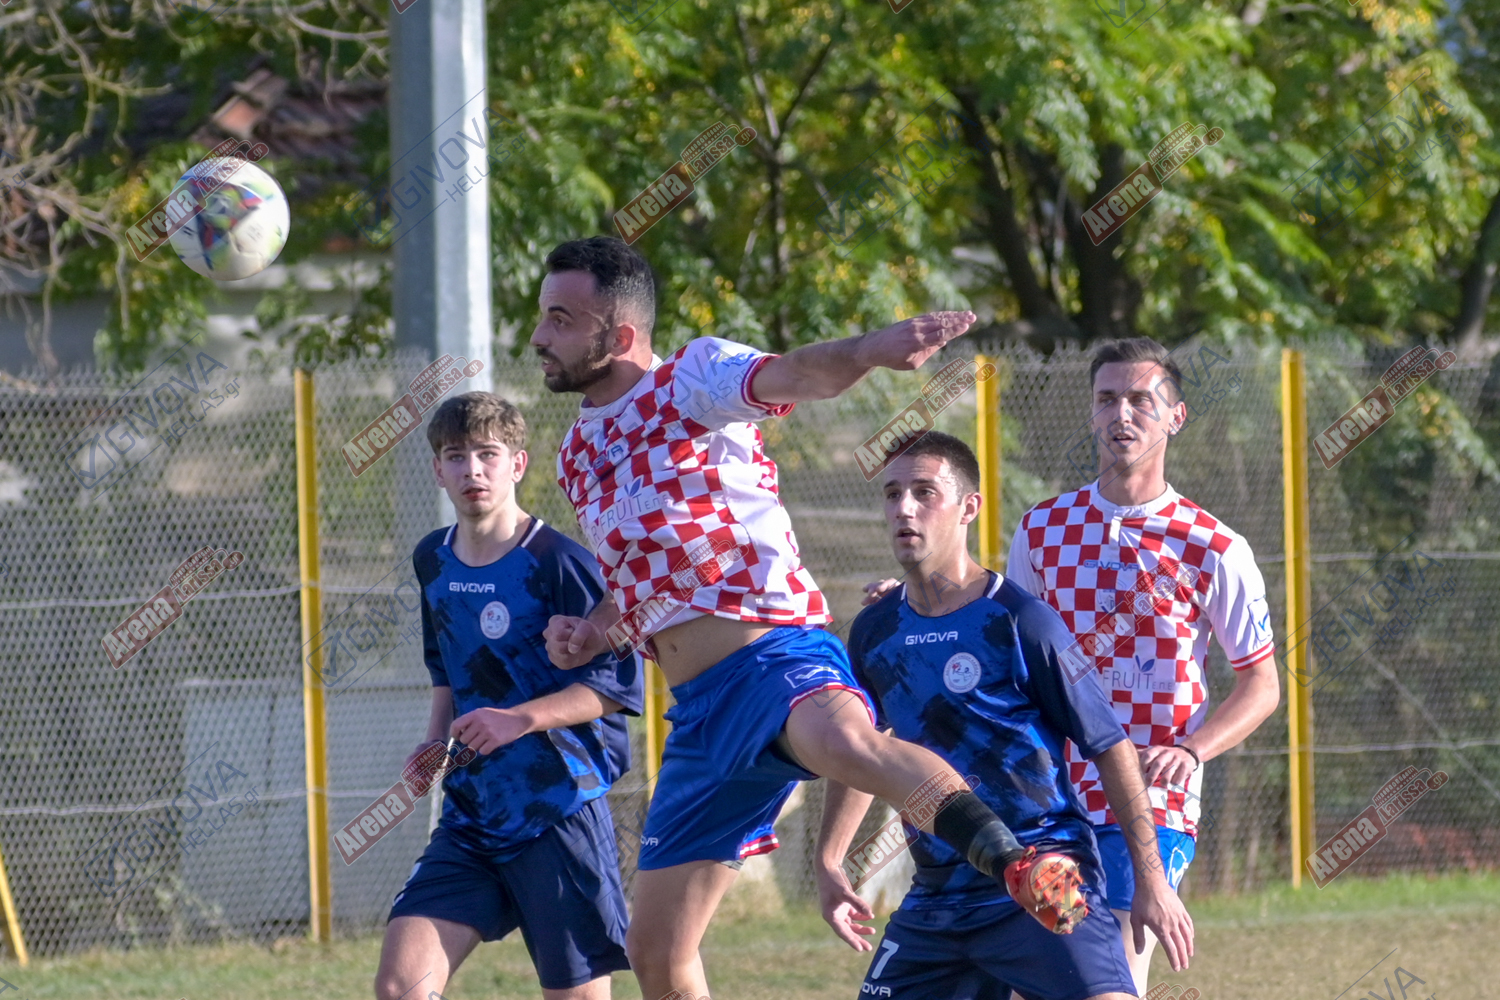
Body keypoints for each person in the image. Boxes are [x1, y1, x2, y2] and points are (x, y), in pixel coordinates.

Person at [532, 236, 1070, 1000]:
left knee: (849, 745)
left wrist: (872, 350)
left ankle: (1017, 863)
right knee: (655, 949)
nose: (538, 336)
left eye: (559, 320)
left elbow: (797, 373)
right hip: (700, 715)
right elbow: (639, 581)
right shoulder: (578, 452)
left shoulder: (691, 380)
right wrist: (592, 631)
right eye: (543, 316)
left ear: (619, 335)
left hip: (774, 656)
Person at [819, 432, 1193, 1000]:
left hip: (1042, 874)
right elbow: (860, 748)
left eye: (924, 493)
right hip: (938, 897)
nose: (904, 509)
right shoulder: (876, 630)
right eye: (893, 494)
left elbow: (1110, 745)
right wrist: (829, 860)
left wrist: (1151, 881)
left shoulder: (1021, 620)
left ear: (968, 507)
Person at [1004, 337, 1280, 991]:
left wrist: (1192, 750)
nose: (1121, 414)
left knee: (1115, 973)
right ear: (1091, 412)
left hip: (1153, 803)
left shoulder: (1215, 546)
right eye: (1107, 399)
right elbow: (1009, 652)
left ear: (1175, 417)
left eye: (1140, 400)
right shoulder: (1042, 529)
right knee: (1046, 976)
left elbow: (1262, 683)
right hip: (1054, 795)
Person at [374, 392, 644, 1000]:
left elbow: (614, 689)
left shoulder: (558, 561)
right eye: (456, 456)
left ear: (518, 464)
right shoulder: (432, 558)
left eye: (487, 454)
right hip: (472, 813)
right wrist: (434, 741)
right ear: (437, 469)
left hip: (558, 810)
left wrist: (518, 719)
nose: (472, 469)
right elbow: (445, 663)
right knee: (400, 986)